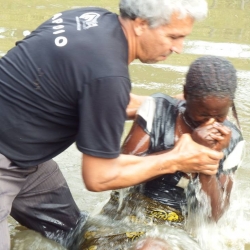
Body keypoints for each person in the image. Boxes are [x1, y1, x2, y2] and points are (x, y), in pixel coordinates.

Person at [0, 1, 224, 249]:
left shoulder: (88, 18)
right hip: (5, 160)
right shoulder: (108, 74)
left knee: (75, 234)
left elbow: (91, 91)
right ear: (140, 24)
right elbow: (98, 177)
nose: (179, 48)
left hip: (25, 154)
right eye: (173, 36)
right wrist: (177, 159)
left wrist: (169, 106)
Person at [77, 56, 245, 250]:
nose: (211, 123)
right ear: (185, 95)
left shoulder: (232, 141)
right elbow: (120, 172)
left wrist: (207, 158)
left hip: (177, 231)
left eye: (220, 116)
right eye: (203, 114)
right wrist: (182, 153)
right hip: (122, 218)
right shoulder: (158, 112)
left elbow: (215, 214)